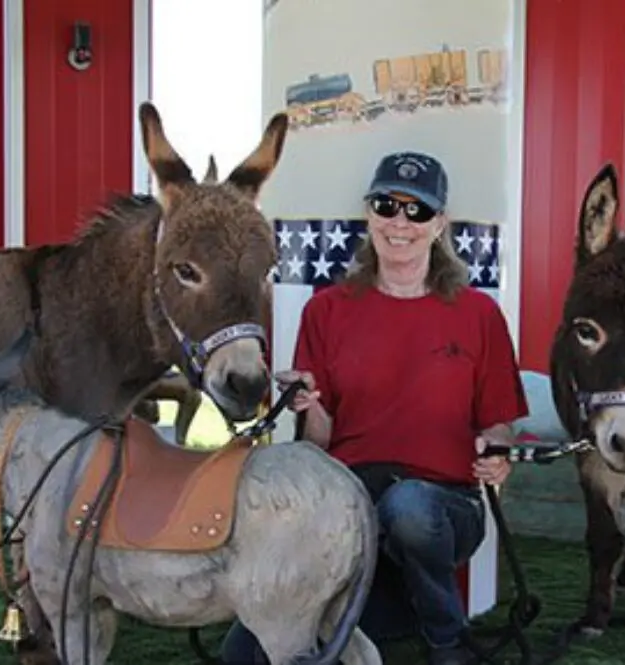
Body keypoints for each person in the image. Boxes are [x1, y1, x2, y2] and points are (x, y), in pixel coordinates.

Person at [219, 151, 529, 665]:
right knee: (243, 654)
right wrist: (309, 406)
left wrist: (497, 453)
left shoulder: (479, 313)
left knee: (408, 509)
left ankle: (448, 644)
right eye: (387, 205)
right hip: (347, 499)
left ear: (440, 224)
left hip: (443, 506)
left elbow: (500, 422)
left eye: (418, 211)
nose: (400, 223)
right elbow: (317, 445)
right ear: (370, 215)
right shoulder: (327, 309)